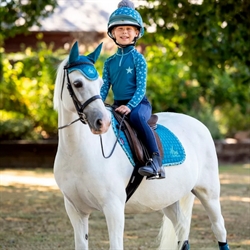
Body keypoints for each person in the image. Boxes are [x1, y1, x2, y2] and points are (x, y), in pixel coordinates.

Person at [100, 0, 165, 180]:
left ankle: (155, 161)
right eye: (120, 29)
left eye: (129, 29)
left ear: (137, 32)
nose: (124, 32)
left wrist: (129, 106)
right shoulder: (109, 62)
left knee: (136, 118)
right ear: (113, 33)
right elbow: (105, 86)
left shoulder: (138, 59)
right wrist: (98, 104)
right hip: (117, 104)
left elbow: (141, 88)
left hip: (138, 104)